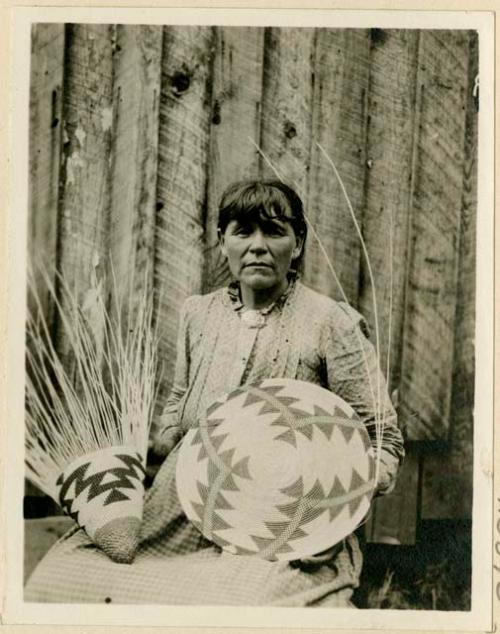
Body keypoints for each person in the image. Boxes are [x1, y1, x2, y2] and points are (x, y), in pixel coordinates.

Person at [25, 180, 404, 607]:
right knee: (62, 577)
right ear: (222, 242)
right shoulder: (198, 314)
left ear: (297, 244)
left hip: (283, 518)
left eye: (274, 232)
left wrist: (339, 501)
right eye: (243, 232)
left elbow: (383, 437)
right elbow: (179, 403)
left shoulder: (330, 322)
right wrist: (145, 450)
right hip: (180, 509)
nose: (258, 246)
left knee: (250, 598)